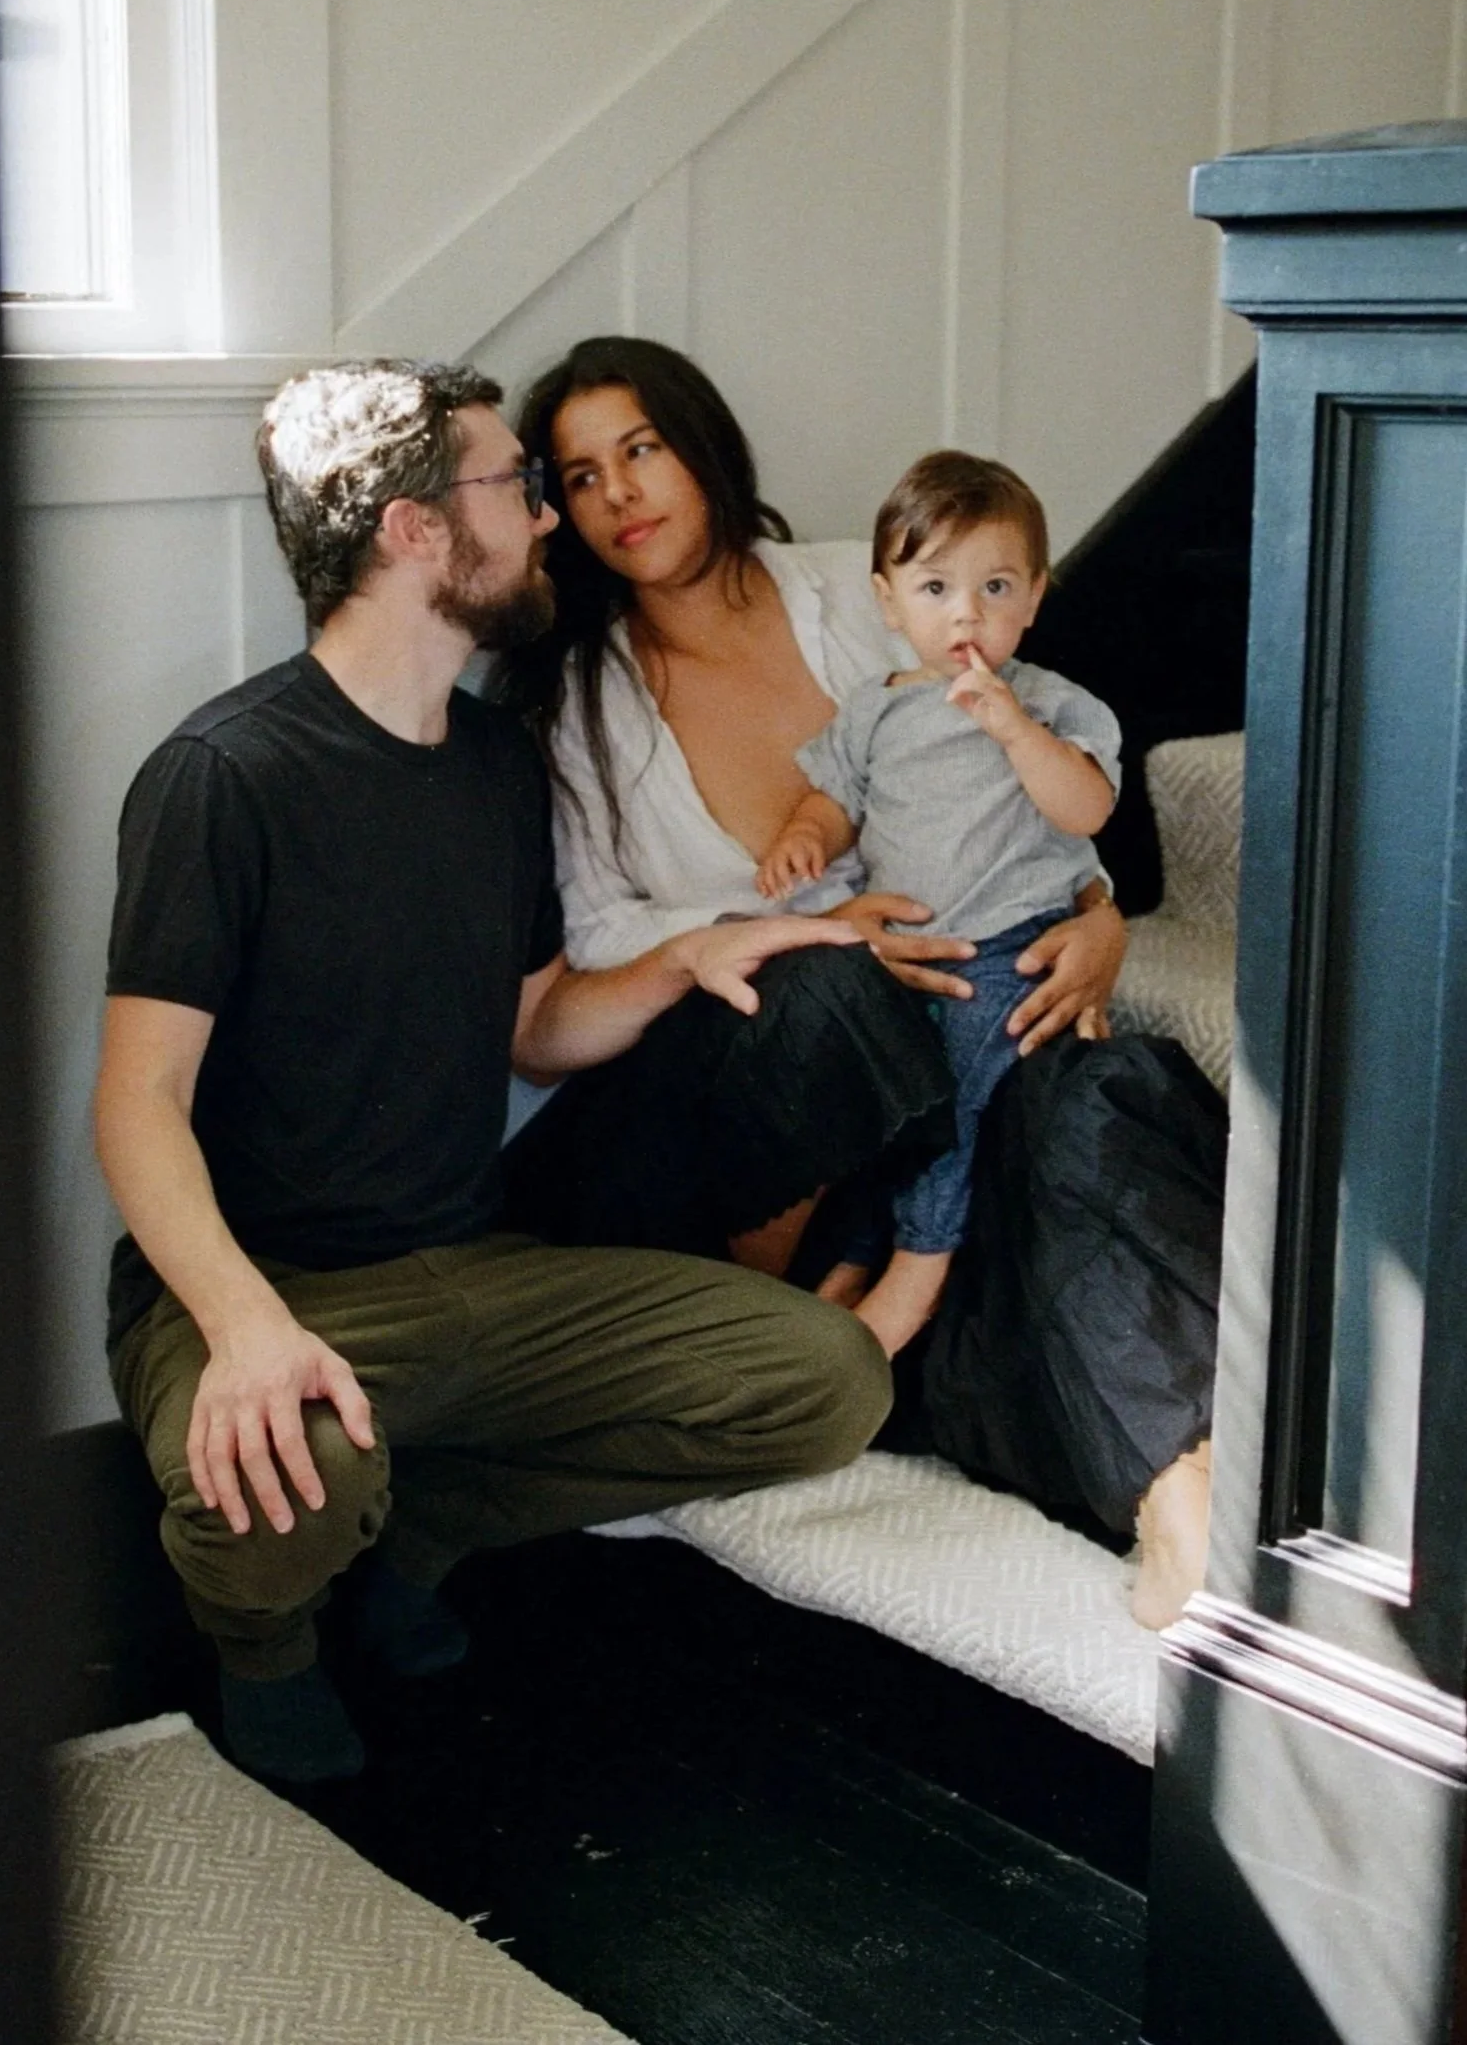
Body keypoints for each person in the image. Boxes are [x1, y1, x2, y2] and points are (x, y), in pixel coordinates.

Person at [93, 358, 893, 1787]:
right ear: (413, 530)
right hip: (254, 1289)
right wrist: (246, 1326)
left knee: (822, 1381)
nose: (546, 522)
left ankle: (426, 1528)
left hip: (466, 1270)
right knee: (286, 1489)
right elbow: (133, 1101)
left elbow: (535, 1027)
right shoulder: (226, 774)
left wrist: (698, 956)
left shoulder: (493, 765)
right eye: (517, 486)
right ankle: (263, 1652)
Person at [495, 337, 1219, 1630]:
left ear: (699, 443)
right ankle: (849, 1333)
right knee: (847, 1009)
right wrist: (793, 939)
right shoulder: (578, 709)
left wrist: (1101, 915)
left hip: (958, 1018)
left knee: (1105, 1086)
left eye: (641, 448)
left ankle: (1183, 1491)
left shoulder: (869, 588)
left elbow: (1032, 807)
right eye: (580, 473)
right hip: (789, 1108)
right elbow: (589, 969)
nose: (619, 493)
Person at [756, 451, 1120, 1361]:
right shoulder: (874, 711)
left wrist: (1010, 726)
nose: (966, 613)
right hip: (905, 959)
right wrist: (804, 835)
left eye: (995, 586)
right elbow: (833, 800)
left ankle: (919, 1268)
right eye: (935, 587)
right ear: (888, 602)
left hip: (1009, 949)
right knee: (884, 1109)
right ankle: (850, 1259)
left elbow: (1086, 810)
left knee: (954, 1095)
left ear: (1034, 597)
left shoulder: (1053, 703)